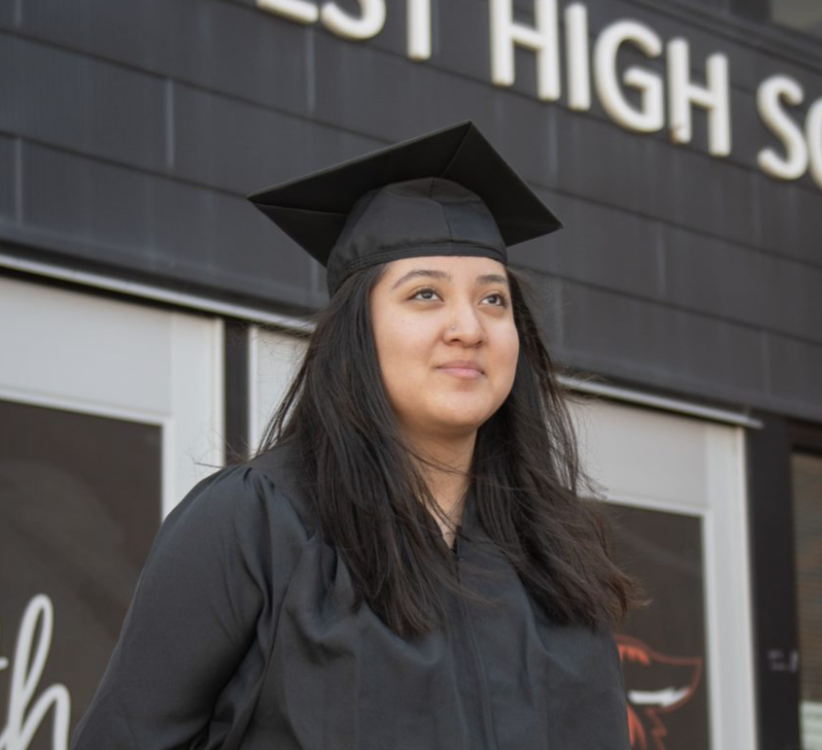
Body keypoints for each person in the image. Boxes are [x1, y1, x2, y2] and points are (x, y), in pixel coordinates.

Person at [71, 121, 642, 750]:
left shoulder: (556, 553)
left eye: (493, 300)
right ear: (357, 333)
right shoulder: (257, 523)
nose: (468, 327)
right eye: (425, 294)